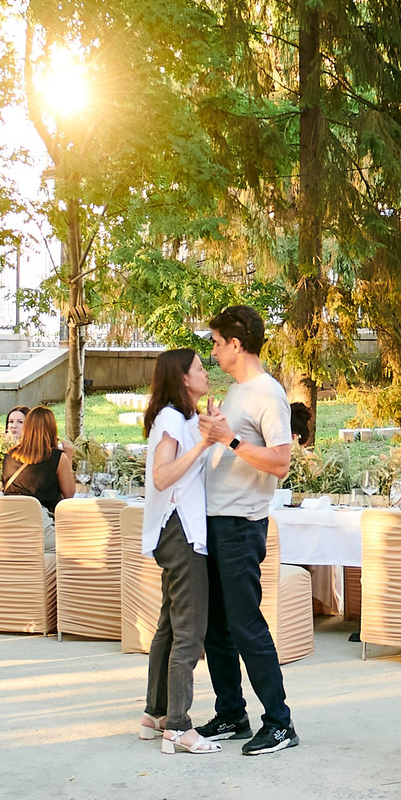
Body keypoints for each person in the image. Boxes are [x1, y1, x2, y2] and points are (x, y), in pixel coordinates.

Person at [193, 303, 299, 757]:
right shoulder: (237, 392)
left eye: (217, 344)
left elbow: (281, 462)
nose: (213, 352)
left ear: (237, 344)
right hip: (216, 522)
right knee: (215, 628)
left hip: (240, 525)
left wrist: (228, 440)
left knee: (246, 625)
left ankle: (279, 723)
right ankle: (232, 712)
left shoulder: (266, 394)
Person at [137, 348, 218, 753]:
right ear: (183, 378)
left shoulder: (181, 417)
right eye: (200, 368)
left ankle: (155, 712)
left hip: (174, 529)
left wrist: (204, 430)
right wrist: (202, 443)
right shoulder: (171, 418)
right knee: (189, 630)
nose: (207, 372)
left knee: (169, 626)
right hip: (180, 530)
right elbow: (163, 475)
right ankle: (179, 725)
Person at [1, 407, 76, 514]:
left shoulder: (10, 455)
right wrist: (68, 459)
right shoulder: (57, 457)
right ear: (52, 429)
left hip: (11, 519)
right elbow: (69, 494)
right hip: (41, 523)